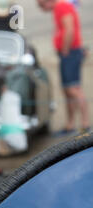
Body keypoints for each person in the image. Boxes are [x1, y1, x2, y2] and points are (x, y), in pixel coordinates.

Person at [36, 0, 90, 134]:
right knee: (68, 90)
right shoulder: (61, 7)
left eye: (41, 5)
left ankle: (85, 122)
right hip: (69, 52)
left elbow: (69, 28)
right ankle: (70, 124)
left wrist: (65, 49)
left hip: (70, 52)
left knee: (73, 89)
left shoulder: (62, 6)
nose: (41, 9)